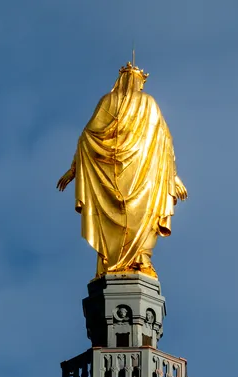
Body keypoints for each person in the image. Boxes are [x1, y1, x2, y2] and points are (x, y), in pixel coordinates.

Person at [57, 63, 187, 277]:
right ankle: (135, 261)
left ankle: (134, 261)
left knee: (138, 220)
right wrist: (173, 177)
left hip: (133, 173)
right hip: (142, 176)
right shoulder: (148, 103)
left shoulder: (109, 101)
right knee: (141, 219)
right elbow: (164, 141)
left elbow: (87, 138)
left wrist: (73, 170)